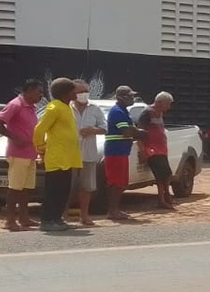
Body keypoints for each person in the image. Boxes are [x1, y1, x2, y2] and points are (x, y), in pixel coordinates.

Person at [0, 79, 44, 232]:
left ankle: (24, 217)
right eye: (38, 92)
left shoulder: (31, 108)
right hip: (18, 153)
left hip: (30, 153)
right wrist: (14, 137)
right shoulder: (16, 105)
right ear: (28, 91)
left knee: (26, 188)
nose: (40, 95)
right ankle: (10, 220)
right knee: (15, 188)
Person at [33, 78, 83, 232]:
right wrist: (40, 148)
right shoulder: (54, 108)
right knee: (53, 191)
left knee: (63, 191)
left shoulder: (66, 107)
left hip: (67, 158)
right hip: (57, 157)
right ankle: (47, 220)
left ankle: (57, 218)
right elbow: (39, 130)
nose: (77, 93)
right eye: (74, 90)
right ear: (66, 93)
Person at [70, 80, 107, 226]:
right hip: (69, 155)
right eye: (80, 92)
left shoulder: (95, 109)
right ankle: (63, 215)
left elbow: (104, 128)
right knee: (67, 186)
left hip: (88, 154)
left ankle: (84, 216)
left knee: (86, 187)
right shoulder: (67, 108)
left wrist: (92, 130)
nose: (83, 94)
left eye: (85, 91)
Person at [103, 86, 142, 221]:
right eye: (129, 96)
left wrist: (134, 131)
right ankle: (112, 211)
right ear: (120, 97)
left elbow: (131, 130)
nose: (132, 99)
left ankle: (115, 209)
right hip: (116, 152)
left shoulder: (124, 112)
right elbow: (126, 132)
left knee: (121, 182)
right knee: (116, 183)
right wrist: (138, 132)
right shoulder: (118, 112)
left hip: (121, 152)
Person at [137, 91, 176, 210]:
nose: (168, 107)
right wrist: (143, 150)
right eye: (167, 104)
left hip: (161, 149)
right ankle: (162, 199)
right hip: (152, 149)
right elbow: (140, 133)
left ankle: (165, 195)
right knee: (161, 175)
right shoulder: (147, 113)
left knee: (167, 174)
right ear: (159, 102)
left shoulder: (159, 114)